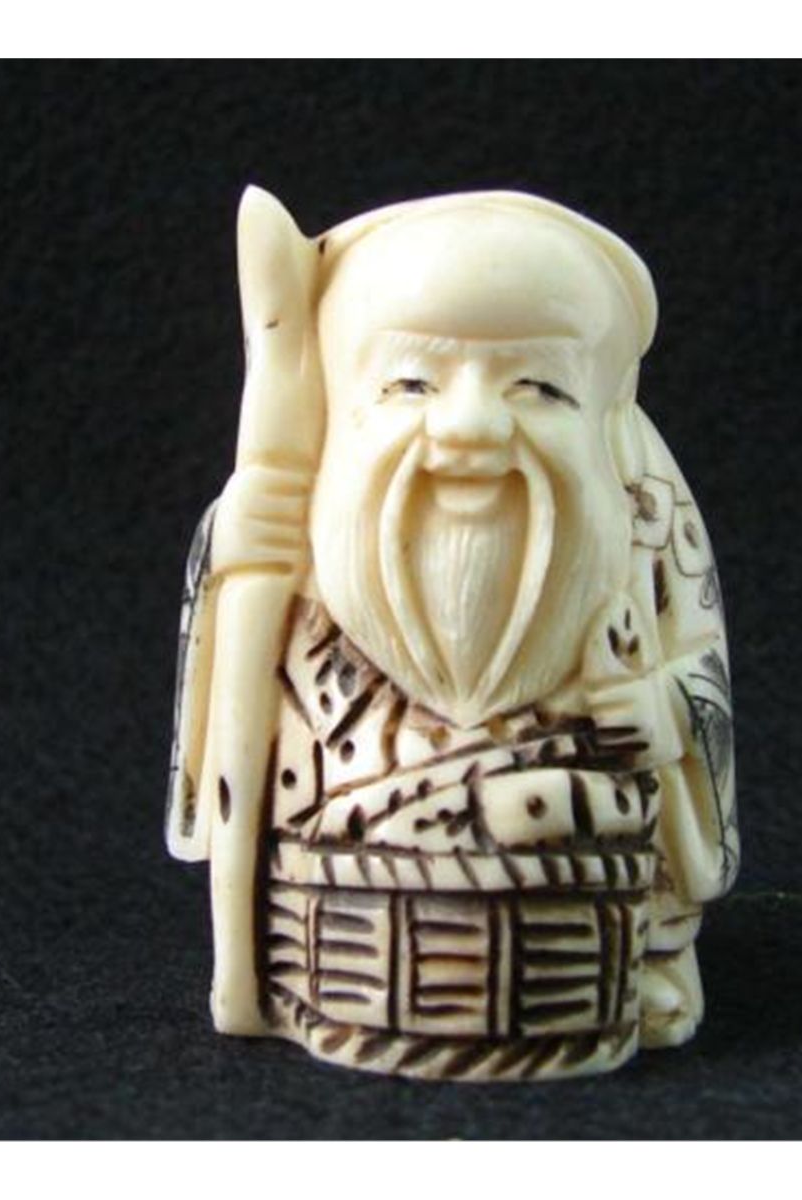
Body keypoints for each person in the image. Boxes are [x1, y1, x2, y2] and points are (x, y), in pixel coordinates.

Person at [167, 189, 738, 1080]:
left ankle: (647, 964)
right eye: (410, 384)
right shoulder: (291, 520)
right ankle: (287, 981)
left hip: (584, 923)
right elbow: (230, 701)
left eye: (539, 386)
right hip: (341, 925)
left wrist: (660, 711)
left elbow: (698, 669)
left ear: (607, 419)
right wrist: (232, 545)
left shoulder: (645, 524)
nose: (470, 428)